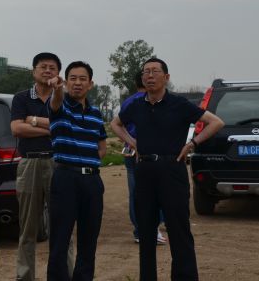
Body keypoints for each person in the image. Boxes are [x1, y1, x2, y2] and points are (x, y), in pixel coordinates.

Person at [117, 58, 224, 281]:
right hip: (145, 170)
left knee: (178, 230)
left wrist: (192, 144)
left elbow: (216, 122)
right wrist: (132, 142)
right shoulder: (136, 105)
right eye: (146, 72)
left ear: (166, 77)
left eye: (155, 71)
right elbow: (115, 124)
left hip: (172, 170)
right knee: (146, 232)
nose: (150, 76)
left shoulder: (179, 104)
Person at [11, 52, 74, 281]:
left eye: (52, 68)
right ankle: (25, 276)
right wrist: (52, 128)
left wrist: (33, 120)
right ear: (33, 71)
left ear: (58, 73)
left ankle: (64, 275)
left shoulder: (67, 98)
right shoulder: (21, 98)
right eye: (43, 66)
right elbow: (17, 129)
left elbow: (69, 127)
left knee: (63, 226)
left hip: (60, 163)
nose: (47, 71)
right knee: (28, 228)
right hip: (29, 163)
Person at [47, 61, 106, 281]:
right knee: (60, 241)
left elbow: (102, 146)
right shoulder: (59, 107)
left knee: (89, 241)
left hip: (92, 181)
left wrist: (88, 160)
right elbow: (55, 102)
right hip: (65, 179)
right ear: (66, 82)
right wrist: (56, 89)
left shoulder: (96, 113)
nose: (77, 83)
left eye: (82, 79)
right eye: (72, 78)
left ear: (90, 84)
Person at [110, 71, 167, 245]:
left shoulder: (128, 101)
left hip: (131, 150)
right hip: (149, 152)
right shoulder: (152, 100)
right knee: (157, 190)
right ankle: (152, 228)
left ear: (135, 84)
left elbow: (118, 125)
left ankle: (139, 231)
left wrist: (130, 141)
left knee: (135, 192)